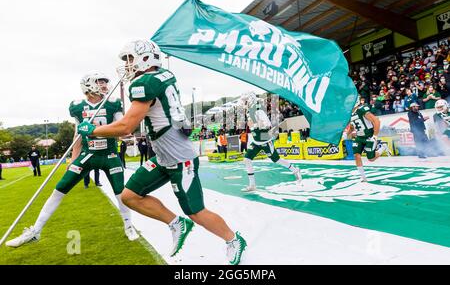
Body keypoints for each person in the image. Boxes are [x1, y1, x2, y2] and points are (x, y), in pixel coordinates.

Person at [76, 40, 247, 265]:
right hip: (165, 156)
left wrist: (93, 130)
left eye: (129, 59)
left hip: (180, 159)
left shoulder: (146, 83)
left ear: (145, 57)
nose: (127, 65)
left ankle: (233, 240)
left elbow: (126, 127)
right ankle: (176, 223)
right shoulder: (161, 75)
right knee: (129, 196)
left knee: (195, 211)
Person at [6, 73, 138, 248]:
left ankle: (128, 225)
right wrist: (73, 160)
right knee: (59, 189)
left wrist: (94, 129)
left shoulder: (113, 103)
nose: (105, 84)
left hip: (109, 155)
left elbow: (123, 131)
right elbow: (77, 136)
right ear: (89, 85)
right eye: (100, 81)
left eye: (106, 81)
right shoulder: (77, 107)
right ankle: (35, 231)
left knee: (120, 192)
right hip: (87, 155)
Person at [239, 92, 302, 192]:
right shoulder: (249, 112)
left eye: (245, 101)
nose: (243, 103)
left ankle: (295, 170)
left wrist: (257, 125)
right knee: (247, 160)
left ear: (250, 101)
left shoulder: (258, 111)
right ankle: (252, 185)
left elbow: (268, 125)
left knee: (276, 160)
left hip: (265, 140)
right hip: (256, 141)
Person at [347, 98, 390, 182]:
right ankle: (363, 177)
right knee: (356, 155)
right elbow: (352, 127)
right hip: (359, 137)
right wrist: (347, 134)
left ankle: (383, 147)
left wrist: (375, 135)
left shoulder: (362, 110)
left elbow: (376, 121)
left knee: (371, 159)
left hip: (369, 136)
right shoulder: (350, 114)